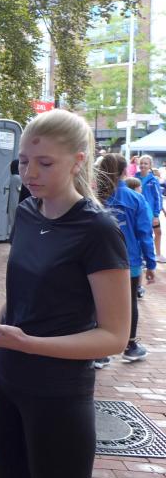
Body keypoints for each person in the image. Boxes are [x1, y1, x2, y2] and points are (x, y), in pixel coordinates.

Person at [0, 109, 130, 478]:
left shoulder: (97, 229)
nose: (30, 173)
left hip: (57, 395)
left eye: (45, 163)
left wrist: (27, 343)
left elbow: (114, 336)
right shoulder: (27, 211)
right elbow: (21, 296)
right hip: (3, 384)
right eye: (23, 161)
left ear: (77, 161)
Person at [96, 153, 154, 367]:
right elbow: (144, 234)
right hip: (129, 261)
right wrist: (151, 264)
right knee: (129, 303)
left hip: (96, 260)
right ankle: (130, 346)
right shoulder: (136, 199)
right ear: (124, 172)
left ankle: (98, 351)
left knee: (96, 303)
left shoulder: (93, 198)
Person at [135, 155, 166, 262]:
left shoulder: (153, 180)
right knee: (143, 234)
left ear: (150, 165)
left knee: (158, 232)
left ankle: (158, 254)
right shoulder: (135, 178)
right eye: (141, 163)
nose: (143, 165)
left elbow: (158, 197)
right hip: (139, 212)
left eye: (146, 163)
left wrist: (156, 214)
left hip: (152, 212)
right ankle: (144, 256)